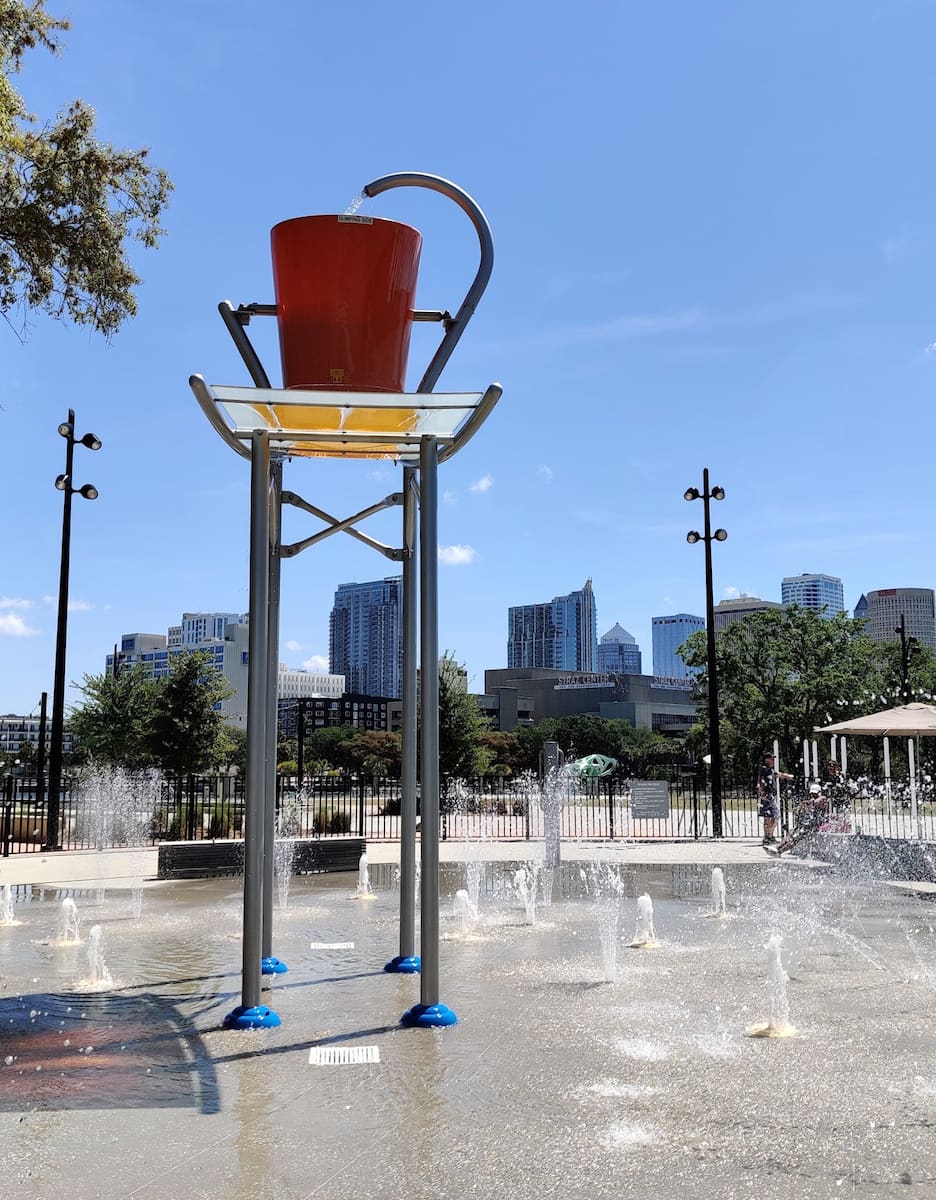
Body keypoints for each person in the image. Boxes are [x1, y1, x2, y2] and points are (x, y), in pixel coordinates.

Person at [770, 782, 827, 856]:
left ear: (819, 792)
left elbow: (816, 802)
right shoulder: (812, 800)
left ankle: (779, 852)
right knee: (792, 832)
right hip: (808, 823)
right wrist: (799, 807)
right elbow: (809, 803)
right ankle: (777, 847)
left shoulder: (823, 798)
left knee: (796, 837)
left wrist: (806, 804)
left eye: (814, 793)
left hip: (815, 825)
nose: (813, 795)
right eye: (812, 793)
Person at [757, 751, 792, 848]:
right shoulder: (763, 769)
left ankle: (769, 835)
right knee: (769, 817)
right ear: (766, 760)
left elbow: (778, 774)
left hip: (770, 796)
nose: (773, 761)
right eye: (771, 759)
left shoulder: (770, 770)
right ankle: (768, 837)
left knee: (773, 816)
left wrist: (788, 776)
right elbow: (760, 781)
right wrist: (761, 792)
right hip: (766, 796)